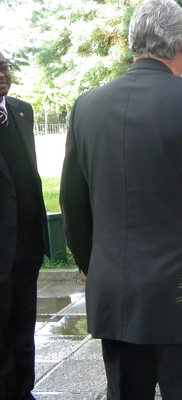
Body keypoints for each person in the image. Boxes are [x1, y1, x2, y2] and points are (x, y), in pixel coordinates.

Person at [60, 1, 182, 399]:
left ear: (133, 41)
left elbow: (73, 202)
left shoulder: (87, 105)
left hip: (117, 293)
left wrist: (94, 265)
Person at [0, 50, 50, 400]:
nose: (3, 74)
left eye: (4, 67)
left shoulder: (22, 110)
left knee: (23, 318)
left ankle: (23, 389)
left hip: (27, 241)